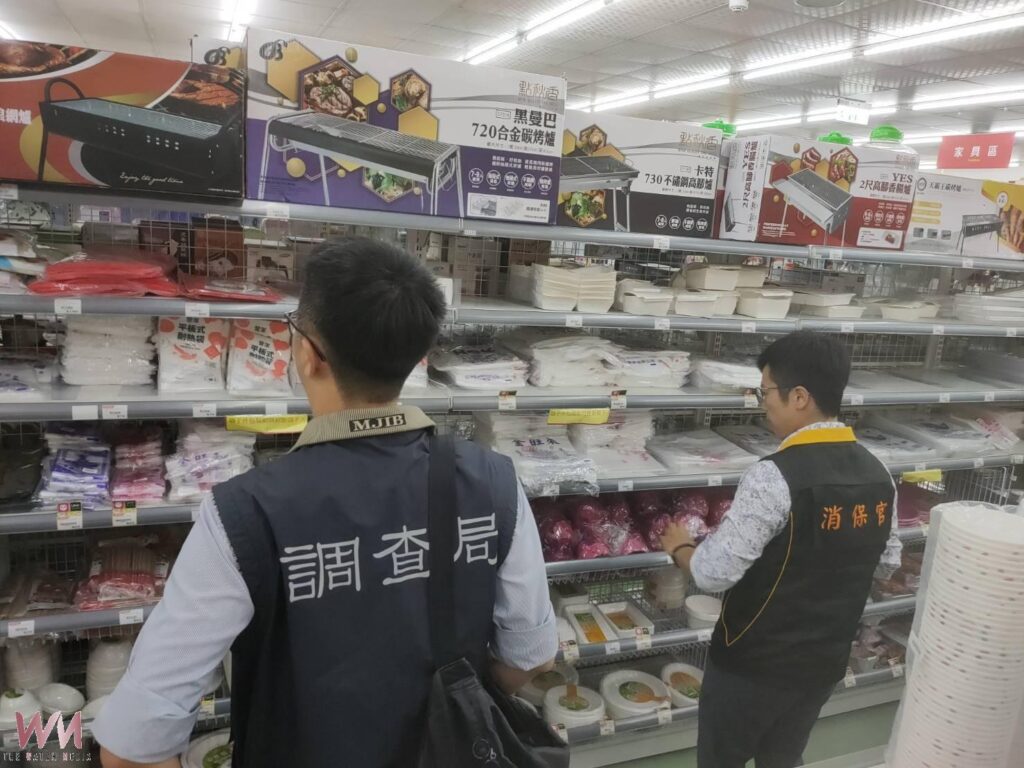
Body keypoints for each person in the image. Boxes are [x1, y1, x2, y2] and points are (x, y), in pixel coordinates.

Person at [95, 238, 558, 768]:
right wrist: (455, 708)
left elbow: (131, 748)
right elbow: (531, 655)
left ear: (308, 355)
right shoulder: (494, 482)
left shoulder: (242, 514)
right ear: (419, 357)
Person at [660, 330, 901, 768]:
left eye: (766, 391)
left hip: (755, 665)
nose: (762, 402)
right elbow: (887, 562)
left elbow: (714, 573)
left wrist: (682, 549)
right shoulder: (878, 472)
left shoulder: (774, 476)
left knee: (722, 758)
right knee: (783, 756)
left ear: (800, 397)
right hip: (824, 661)